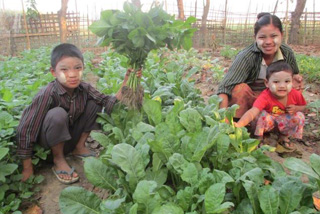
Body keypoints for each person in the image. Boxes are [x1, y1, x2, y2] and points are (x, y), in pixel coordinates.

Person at [16, 43, 141, 184]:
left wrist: (127, 82)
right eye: (64, 69)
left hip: (69, 140)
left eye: (77, 68)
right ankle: (59, 159)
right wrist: (27, 167)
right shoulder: (47, 94)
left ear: (83, 68)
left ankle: (78, 147)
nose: (72, 74)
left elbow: (108, 102)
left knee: (95, 103)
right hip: (48, 148)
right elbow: (26, 129)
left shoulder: (84, 88)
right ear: (53, 72)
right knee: (57, 114)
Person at [217, 12, 303, 120]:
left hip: (275, 97)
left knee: (295, 85)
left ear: (281, 34)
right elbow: (225, 88)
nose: (268, 42)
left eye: (274, 36)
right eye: (262, 37)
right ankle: (241, 121)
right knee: (239, 89)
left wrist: (296, 78)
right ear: (255, 37)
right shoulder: (247, 56)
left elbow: (294, 74)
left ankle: (280, 120)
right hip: (252, 99)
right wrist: (223, 119)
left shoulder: (286, 52)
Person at [234, 61, 306, 149]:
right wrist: (239, 124)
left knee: (299, 116)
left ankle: (283, 136)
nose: (282, 86)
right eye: (276, 82)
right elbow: (253, 111)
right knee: (261, 114)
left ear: (292, 82)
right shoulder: (265, 96)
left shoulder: (295, 94)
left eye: (287, 81)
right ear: (267, 83)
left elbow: (303, 107)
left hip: (283, 123)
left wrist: (296, 108)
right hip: (268, 124)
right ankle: (259, 138)